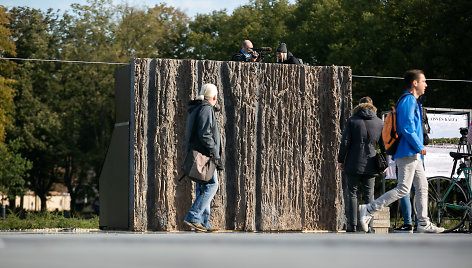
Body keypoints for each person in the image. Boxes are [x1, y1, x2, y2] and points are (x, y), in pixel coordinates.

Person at [359, 69, 445, 233]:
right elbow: (406, 127)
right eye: (423, 81)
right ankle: (369, 209)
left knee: (422, 187)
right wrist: (419, 146)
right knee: (403, 188)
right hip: (408, 151)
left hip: (413, 153)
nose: (426, 85)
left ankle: (422, 223)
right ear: (415, 83)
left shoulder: (412, 101)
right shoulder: (409, 100)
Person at [338, 96, 386, 232]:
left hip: (353, 162)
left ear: (359, 106)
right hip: (371, 163)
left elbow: (345, 142)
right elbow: (384, 146)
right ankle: (369, 226)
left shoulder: (353, 121)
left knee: (352, 193)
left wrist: (340, 160)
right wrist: (385, 164)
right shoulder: (379, 122)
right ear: (372, 106)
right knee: (369, 195)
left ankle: (352, 225)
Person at [183, 83, 223, 232]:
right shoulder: (206, 108)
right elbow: (205, 134)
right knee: (212, 185)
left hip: (198, 154)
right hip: (205, 155)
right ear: (214, 97)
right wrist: (215, 153)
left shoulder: (197, 108)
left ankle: (203, 223)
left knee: (202, 187)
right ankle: (193, 217)